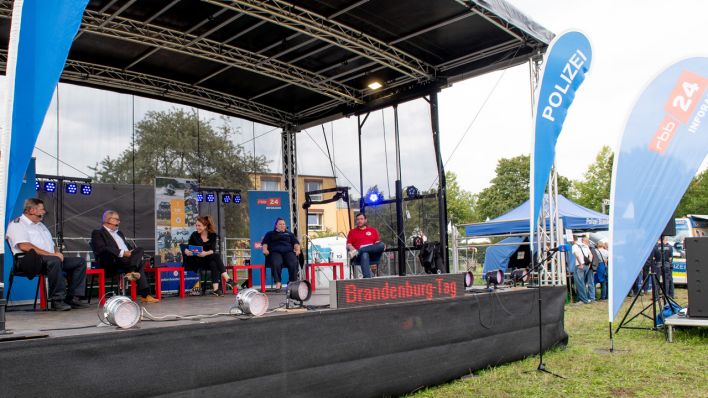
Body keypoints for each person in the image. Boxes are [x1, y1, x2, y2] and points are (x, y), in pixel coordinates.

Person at [6, 198, 88, 311]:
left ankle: (73, 298)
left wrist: (56, 252)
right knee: (54, 261)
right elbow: (24, 246)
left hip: (49, 259)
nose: (44, 212)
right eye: (42, 209)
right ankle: (57, 300)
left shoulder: (41, 225)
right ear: (32, 210)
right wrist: (52, 255)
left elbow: (52, 244)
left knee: (79, 262)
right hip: (27, 261)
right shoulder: (17, 224)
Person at [91, 210, 159, 303]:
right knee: (139, 265)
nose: (119, 222)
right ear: (109, 219)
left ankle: (131, 271)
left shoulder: (119, 233)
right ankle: (144, 294)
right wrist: (122, 253)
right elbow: (101, 249)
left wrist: (131, 252)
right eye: (117, 219)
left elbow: (130, 248)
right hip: (112, 261)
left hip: (127, 261)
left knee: (139, 250)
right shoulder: (98, 233)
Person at [183, 215, 236, 296]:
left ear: (205, 226)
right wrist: (187, 251)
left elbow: (212, 250)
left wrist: (204, 253)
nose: (197, 227)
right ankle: (227, 279)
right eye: (196, 225)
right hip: (195, 260)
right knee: (216, 256)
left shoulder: (212, 235)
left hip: (206, 259)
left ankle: (216, 289)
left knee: (213, 263)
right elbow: (188, 247)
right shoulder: (194, 235)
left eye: (199, 225)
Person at [261, 217, 301, 290]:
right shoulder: (270, 234)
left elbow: (296, 243)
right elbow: (265, 243)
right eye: (280, 224)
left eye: (283, 224)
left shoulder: (289, 234)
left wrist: (298, 250)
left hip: (288, 252)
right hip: (275, 252)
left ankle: (292, 282)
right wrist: (265, 249)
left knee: (294, 262)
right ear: (276, 225)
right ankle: (278, 282)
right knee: (276, 263)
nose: (282, 225)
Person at [346, 213, 385, 279]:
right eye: (358, 219)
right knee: (364, 253)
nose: (359, 221)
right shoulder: (352, 232)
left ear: (365, 220)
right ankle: (367, 278)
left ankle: (359, 251)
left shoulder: (373, 230)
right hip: (359, 256)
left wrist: (382, 246)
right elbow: (348, 244)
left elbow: (377, 243)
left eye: (361, 219)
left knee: (382, 245)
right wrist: (352, 250)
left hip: (373, 254)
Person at [571, 235, 592, 304]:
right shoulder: (584, 245)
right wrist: (589, 264)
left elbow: (577, 255)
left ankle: (584, 300)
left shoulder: (574, 246)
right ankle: (582, 299)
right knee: (582, 283)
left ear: (573, 239)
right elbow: (591, 255)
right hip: (586, 265)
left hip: (580, 266)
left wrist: (580, 264)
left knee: (580, 284)